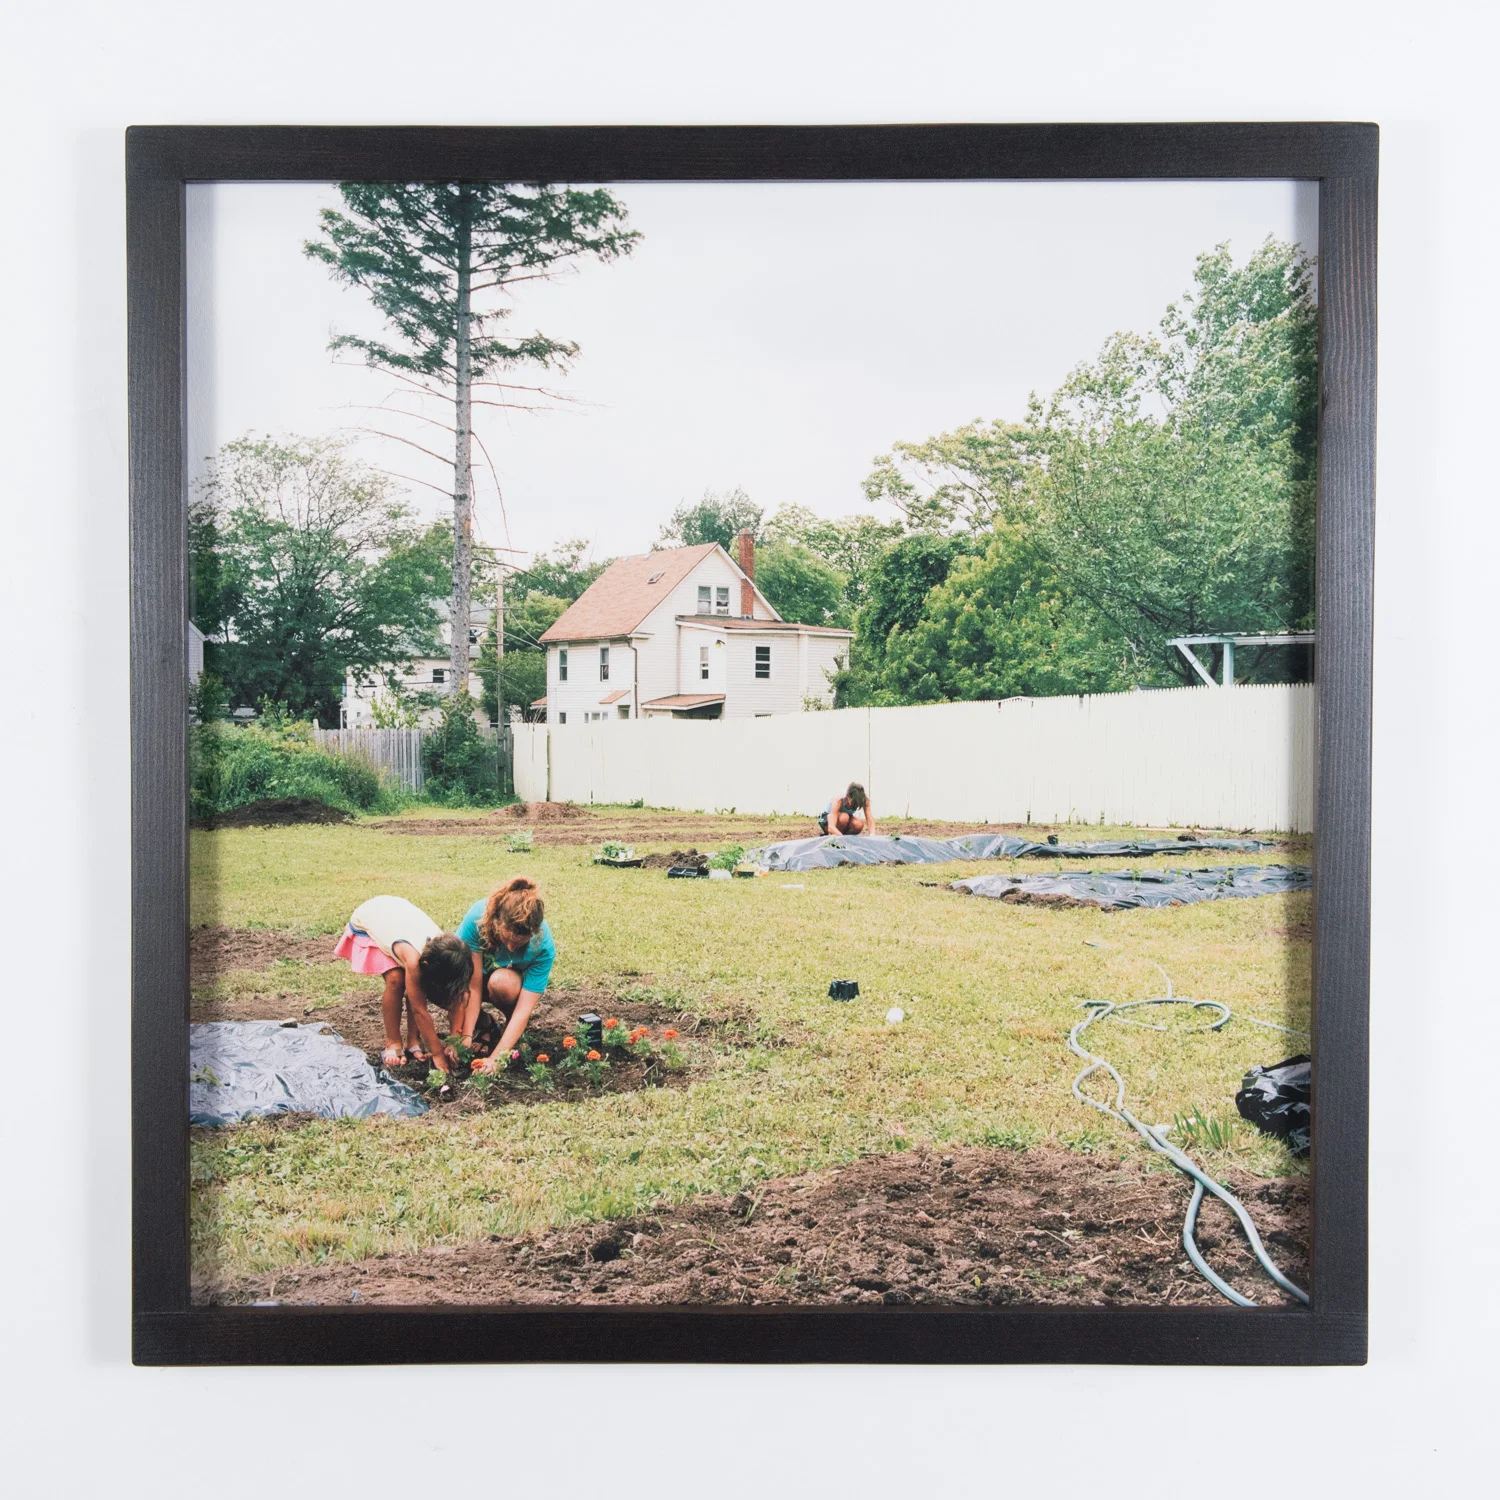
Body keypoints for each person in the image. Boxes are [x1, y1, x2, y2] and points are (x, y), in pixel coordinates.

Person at [333, 895, 473, 1078]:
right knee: (396, 979)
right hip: (371, 917)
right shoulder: (415, 960)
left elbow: (459, 998)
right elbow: (419, 1010)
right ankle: (393, 1041)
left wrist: (454, 1041)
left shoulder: (451, 953)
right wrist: (437, 1053)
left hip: (399, 917)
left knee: (417, 987)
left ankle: (413, 1040)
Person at [456, 876, 557, 1075]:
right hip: (476, 979)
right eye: (507, 938)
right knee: (446, 982)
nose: (510, 947)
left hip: (507, 986)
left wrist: (495, 1059)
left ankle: (511, 1034)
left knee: (502, 983)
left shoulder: (544, 948)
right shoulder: (477, 920)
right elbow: (473, 985)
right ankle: (485, 1025)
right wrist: (466, 1036)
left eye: (519, 943)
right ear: (497, 922)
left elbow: (523, 1010)